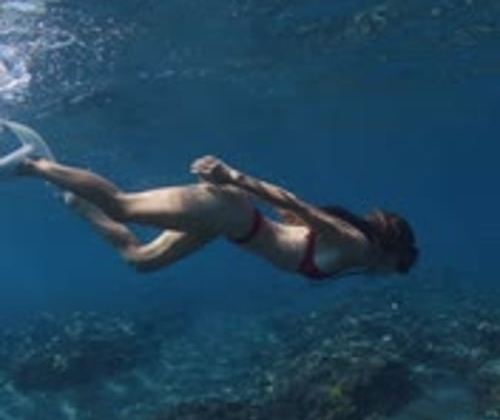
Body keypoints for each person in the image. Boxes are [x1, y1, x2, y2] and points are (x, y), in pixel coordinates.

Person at [1, 122, 418, 280]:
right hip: (226, 213)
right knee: (122, 206)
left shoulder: (353, 256)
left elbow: (292, 218)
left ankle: (75, 202)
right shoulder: (357, 246)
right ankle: (32, 166)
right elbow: (301, 206)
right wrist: (231, 177)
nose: (385, 275)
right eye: (393, 268)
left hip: (229, 225)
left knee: (141, 261)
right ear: (388, 249)